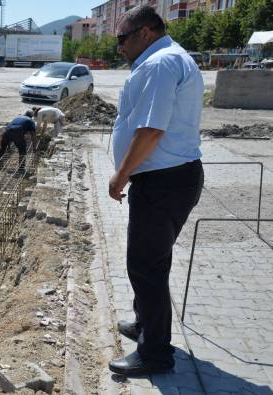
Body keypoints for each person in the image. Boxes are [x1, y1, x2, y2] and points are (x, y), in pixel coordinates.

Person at [107, 6, 204, 376]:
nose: (119, 48)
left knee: (147, 266)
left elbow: (151, 130)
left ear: (145, 32)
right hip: (173, 180)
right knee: (149, 262)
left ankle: (155, 354)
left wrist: (121, 175)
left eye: (122, 39)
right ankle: (145, 323)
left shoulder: (160, 63)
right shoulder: (173, 58)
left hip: (163, 183)